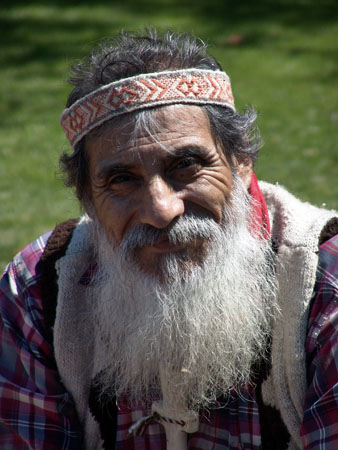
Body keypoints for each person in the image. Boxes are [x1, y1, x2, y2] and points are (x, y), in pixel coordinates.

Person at [0, 29, 337, 450]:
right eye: (122, 179)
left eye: (187, 165)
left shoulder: (325, 284)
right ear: (86, 199)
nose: (161, 210)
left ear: (241, 164)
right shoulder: (38, 290)